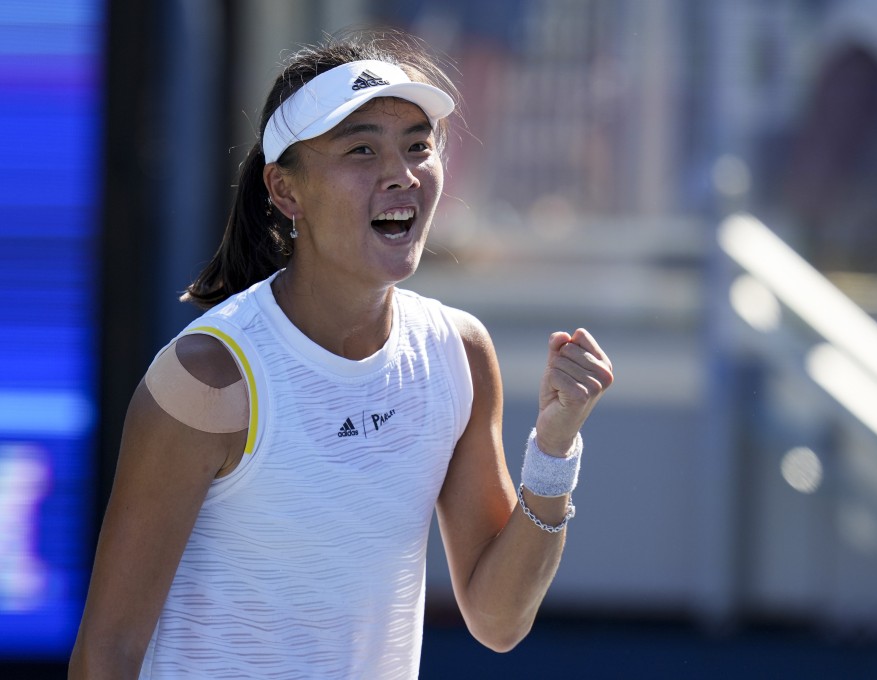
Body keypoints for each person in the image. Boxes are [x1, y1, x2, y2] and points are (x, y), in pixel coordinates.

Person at [68, 28, 613, 679]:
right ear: (286, 191)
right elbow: (107, 653)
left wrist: (553, 450)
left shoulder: (459, 352)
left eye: (418, 146)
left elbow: (498, 621)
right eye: (362, 150)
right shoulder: (208, 378)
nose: (402, 173)